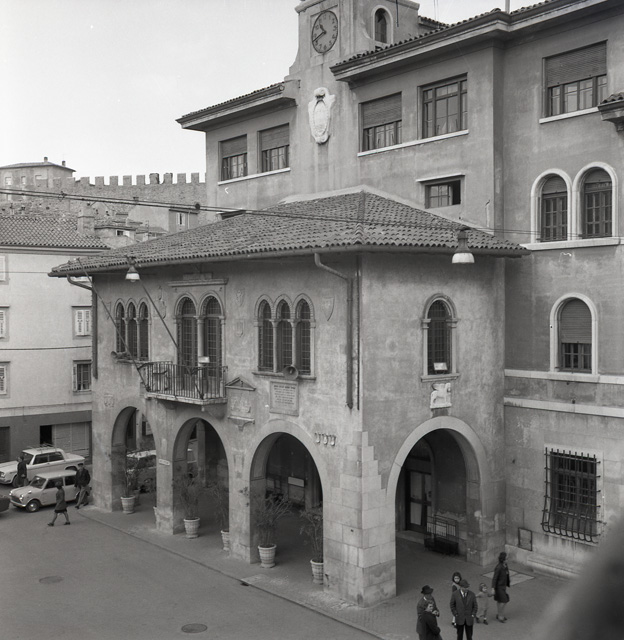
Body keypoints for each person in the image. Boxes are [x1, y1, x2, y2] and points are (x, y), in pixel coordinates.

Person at [492, 551, 511, 622]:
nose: (508, 560)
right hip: (499, 587)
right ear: (503, 559)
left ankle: (499, 614)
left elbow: (506, 574)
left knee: (500, 600)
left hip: (503, 586)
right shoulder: (499, 567)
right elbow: (494, 578)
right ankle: (500, 616)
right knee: (504, 600)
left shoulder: (505, 565)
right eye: (507, 558)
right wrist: (493, 588)